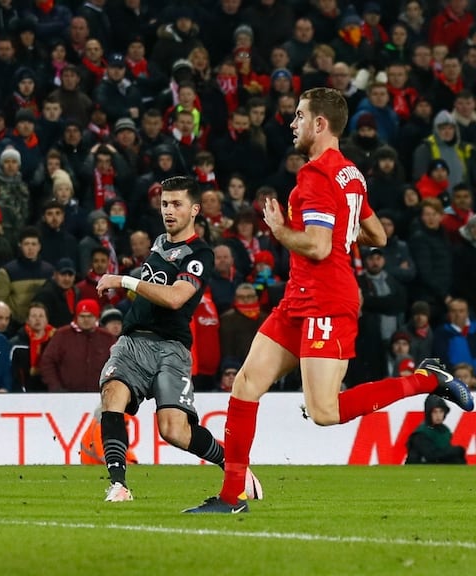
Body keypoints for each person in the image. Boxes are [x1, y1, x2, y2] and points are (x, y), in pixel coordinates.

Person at [185, 88, 473, 514]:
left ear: (320, 124)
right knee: (246, 384)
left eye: (299, 116)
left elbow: (318, 249)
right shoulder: (350, 175)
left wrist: (279, 229)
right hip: (298, 299)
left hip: (326, 301)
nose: (293, 123)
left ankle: (426, 380)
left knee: (324, 411)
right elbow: (378, 234)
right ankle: (232, 497)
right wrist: (342, 231)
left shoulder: (317, 176)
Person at [94, 176, 262, 503]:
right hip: (132, 342)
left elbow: (175, 298)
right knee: (112, 394)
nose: (169, 211)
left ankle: (232, 463)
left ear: (195, 209)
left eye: (177, 204)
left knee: (173, 430)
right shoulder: (159, 243)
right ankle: (119, 485)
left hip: (171, 349)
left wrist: (125, 280)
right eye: (165, 204)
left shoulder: (200, 254)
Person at [405, 394, 467, 464]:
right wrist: (455, 451)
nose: (438, 415)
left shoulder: (445, 430)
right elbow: (431, 455)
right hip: (420, 467)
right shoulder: (420, 434)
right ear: (429, 413)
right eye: (435, 412)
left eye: (441, 411)